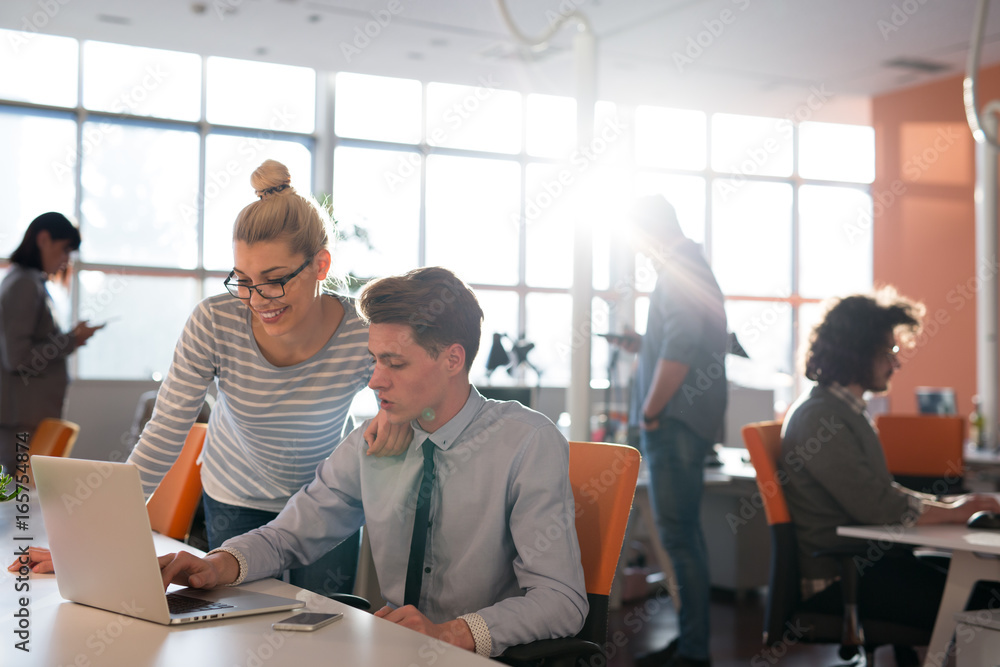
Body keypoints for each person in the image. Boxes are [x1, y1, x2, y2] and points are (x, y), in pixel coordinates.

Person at [15, 161, 410, 597]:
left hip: (326, 504)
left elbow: (408, 391)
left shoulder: (361, 330)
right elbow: (164, 433)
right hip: (236, 494)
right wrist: (91, 542)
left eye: (275, 281)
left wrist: (395, 416)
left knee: (321, 624)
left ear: (320, 265)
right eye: (243, 280)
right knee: (240, 631)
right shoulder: (216, 321)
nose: (257, 300)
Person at [148, 266, 586, 657]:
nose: (375, 380)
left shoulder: (527, 442)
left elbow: (562, 600)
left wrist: (452, 633)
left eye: (394, 362)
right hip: (392, 650)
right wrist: (216, 564)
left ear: (453, 359)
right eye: (374, 359)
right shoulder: (374, 439)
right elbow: (291, 534)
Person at [779, 289, 1000, 663]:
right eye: (888, 352)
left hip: (867, 563)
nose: (895, 364)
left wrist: (949, 505)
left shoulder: (843, 411)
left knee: (983, 582)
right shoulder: (821, 418)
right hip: (841, 579)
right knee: (983, 596)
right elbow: (876, 504)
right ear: (859, 352)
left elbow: (881, 494)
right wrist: (956, 511)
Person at [623, 195, 727, 667]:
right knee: (684, 536)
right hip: (683, 421)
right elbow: (678, 339)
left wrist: (650, 409)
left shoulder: (680, 269)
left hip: (674, 423)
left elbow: (682, 348)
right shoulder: (691, 266)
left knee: (680, 538)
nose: (639, 252)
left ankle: (694, 651)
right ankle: (692, 642)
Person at [0, 213, 103, 476]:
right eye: (65, 249)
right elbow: (18, 358)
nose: (66, 260)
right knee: (20, 508)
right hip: (22, 422)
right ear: (44, 239)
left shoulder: (27, 282)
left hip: (28, 419)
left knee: (24, 506)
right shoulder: (23, 284)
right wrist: (71, 340)